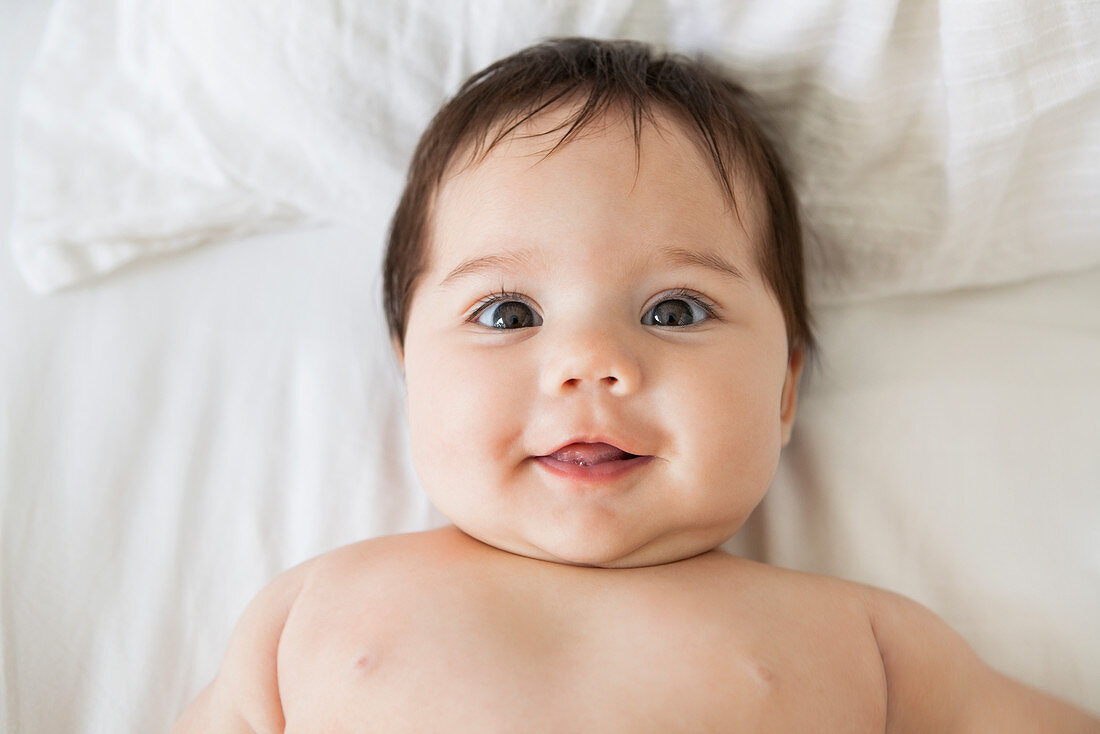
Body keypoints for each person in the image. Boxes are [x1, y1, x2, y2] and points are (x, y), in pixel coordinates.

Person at [171, 38, 1100, 732]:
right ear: (409, 368)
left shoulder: (871, 645)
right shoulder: (311, 615)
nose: (590, 364)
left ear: (783, 393)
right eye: (507, 313)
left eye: (675, 311)